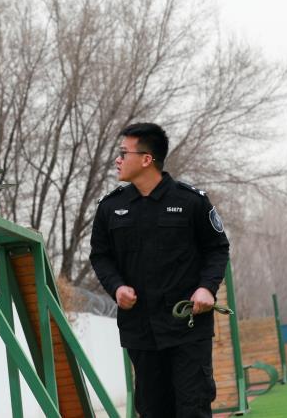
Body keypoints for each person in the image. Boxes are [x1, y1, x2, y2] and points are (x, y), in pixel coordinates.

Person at [89, 122, 230, 417]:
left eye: (123, 152)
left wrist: (207, 288)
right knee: (153, 411)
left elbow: (217, 249)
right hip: (141, 330)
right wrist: (116, 287)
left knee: (192, 408)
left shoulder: (191, 202)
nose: (117, 159)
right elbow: (101, 256)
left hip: (187, 327)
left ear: (146, 159)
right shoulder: (110, 208)